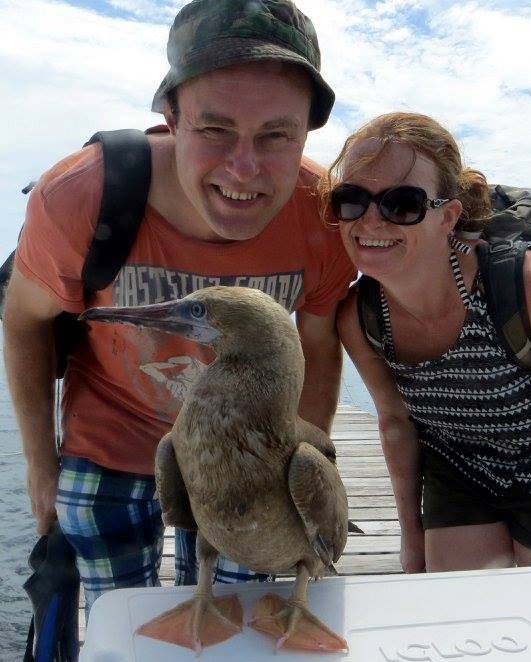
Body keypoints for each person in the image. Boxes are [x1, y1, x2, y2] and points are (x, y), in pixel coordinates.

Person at [3, 0, 355, 615]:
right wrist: (40, 465)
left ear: (307, 130)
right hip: (110, 440)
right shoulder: (80, 197)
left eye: (277, 134)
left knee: (249, 623)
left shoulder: (321, 214)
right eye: (215, 128)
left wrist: (303, 466)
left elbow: (319, 344)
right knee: (124, 618)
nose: (243, 169)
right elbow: (25, 319)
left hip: (253, 462)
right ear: (171, 117)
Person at [327, 112, 531, 573]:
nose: (370, 221)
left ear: (447, 217)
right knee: (458, 609)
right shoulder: (361, 316)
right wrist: (412, 545)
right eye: (351, 200)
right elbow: (396, 423)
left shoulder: (525, 286)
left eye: (402, 203)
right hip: (461, 466)